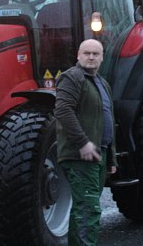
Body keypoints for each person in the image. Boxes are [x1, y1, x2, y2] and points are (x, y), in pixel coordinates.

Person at [55, 39, 117, 246]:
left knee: (83, 207)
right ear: (78, 56)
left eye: (95, 54)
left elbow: (108, 120)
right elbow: (63, 110)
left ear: (102, 58)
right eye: (87, 53)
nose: (91, 57)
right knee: (88, 209)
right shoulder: (72, 78)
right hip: (80, 155)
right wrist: (83, 143)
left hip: (100, 153)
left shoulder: (102, 83)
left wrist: (112, 158)